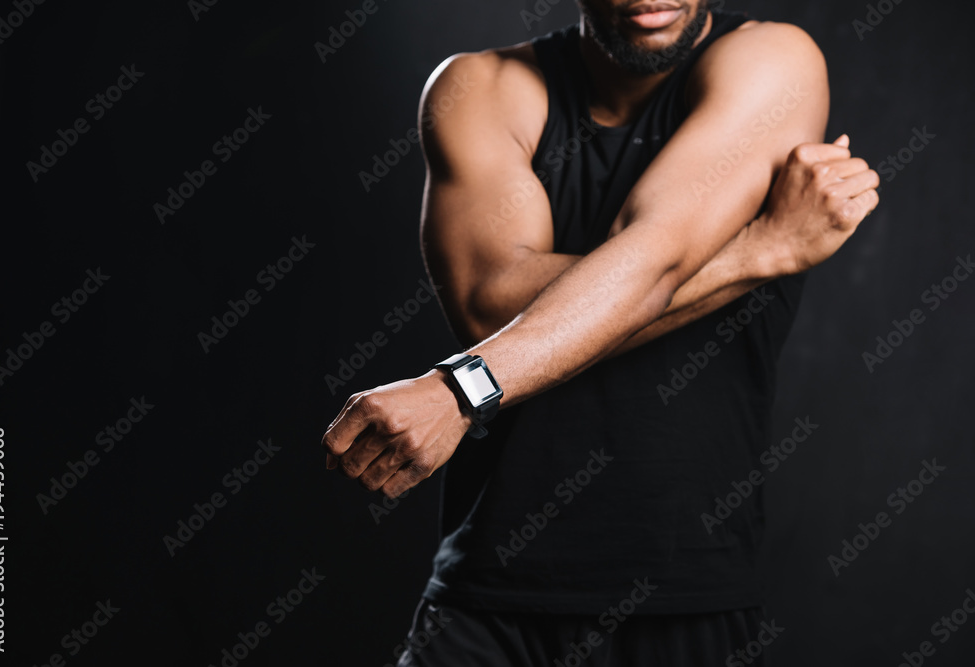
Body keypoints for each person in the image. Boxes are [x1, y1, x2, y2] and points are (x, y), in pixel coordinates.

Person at [323, 1, 879, 664]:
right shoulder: (481, 87)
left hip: (684, 597)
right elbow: (489, 308)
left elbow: (654, 257)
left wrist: (460, 387)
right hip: (486, 593)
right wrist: (756, 253)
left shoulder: (772, 60)